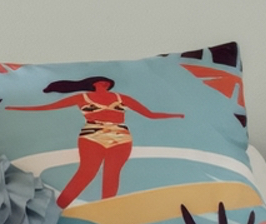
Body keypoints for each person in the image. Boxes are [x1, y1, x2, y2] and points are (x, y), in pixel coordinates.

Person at [11, 76, 181, 208]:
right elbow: (49, 107)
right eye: (102, 82)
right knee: (86, 172)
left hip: (120, 137)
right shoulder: (82, 97)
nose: (105, 84)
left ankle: (106, 209)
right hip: (92, 135)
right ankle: (58, 207)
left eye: (107, 83)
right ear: (94, 84)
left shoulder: (122, 98)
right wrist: (15, 108)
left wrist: (175, 115)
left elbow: (149, 114)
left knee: (112, 173)